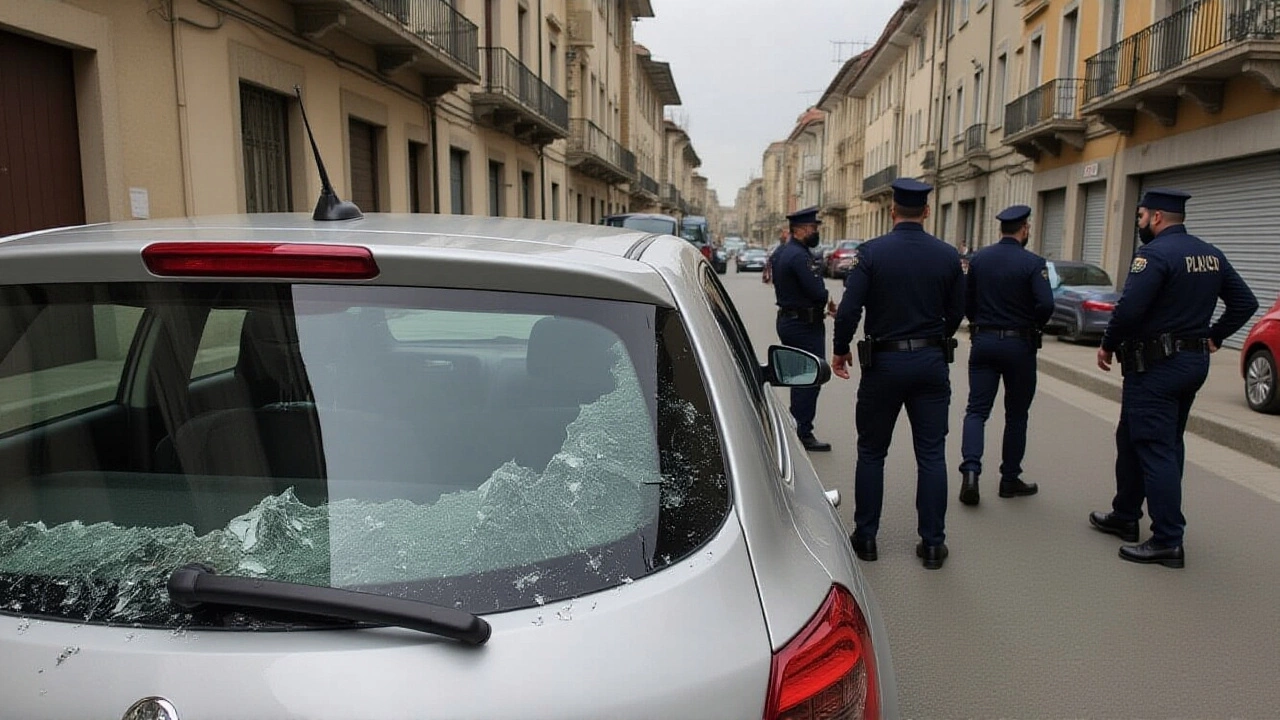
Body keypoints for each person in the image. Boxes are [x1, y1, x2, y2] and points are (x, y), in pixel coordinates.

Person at [1090, 188, 1257, 569]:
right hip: (1191, 364)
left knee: (1155, 445)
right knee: (1137, 437)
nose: (1140, 225)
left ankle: (1167, 539)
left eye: (1141, 217)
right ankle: (1125, 514)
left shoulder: (1153, 256)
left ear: (1157, 218)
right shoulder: (1211, 255)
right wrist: (1214, 335)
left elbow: (1130, 309)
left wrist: (1107, 344)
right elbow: (1245, 302)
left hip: (1156, 367)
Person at [832, 179, 965, 569]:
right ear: (926, 212)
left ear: (892, 211)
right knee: (932, 455)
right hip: (930, 364)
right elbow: (958, 310)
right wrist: (937, 338)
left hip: (884, 365)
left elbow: (850, 308)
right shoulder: (946, 256)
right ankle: (933, 544)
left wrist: (840, 350)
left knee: (872, 452)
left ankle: (867, 538)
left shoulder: (871, 253)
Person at [957, 205, 1055, 506]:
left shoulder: (979, 260)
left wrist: (979, 322)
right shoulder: (1033, 263)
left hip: (984, 341)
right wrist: (1031, 324)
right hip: (1019, 345)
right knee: (1016, 414)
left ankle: (971, 473)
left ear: (1001, 229)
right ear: (1024, 229)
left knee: (977, 411)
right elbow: (1046, 304)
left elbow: (967, 301)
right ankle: (1009, 479)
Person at [773, 207, 837, 451]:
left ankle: (796, 426)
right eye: (812, 228)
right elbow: (817, 291)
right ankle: (802, 431)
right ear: (799, 230)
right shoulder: (800, 256)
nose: (815, 232)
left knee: (798, 375)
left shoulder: (782, 252)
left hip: (790, 320)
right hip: (804, 325)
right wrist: (825, 300)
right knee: (810, 377)